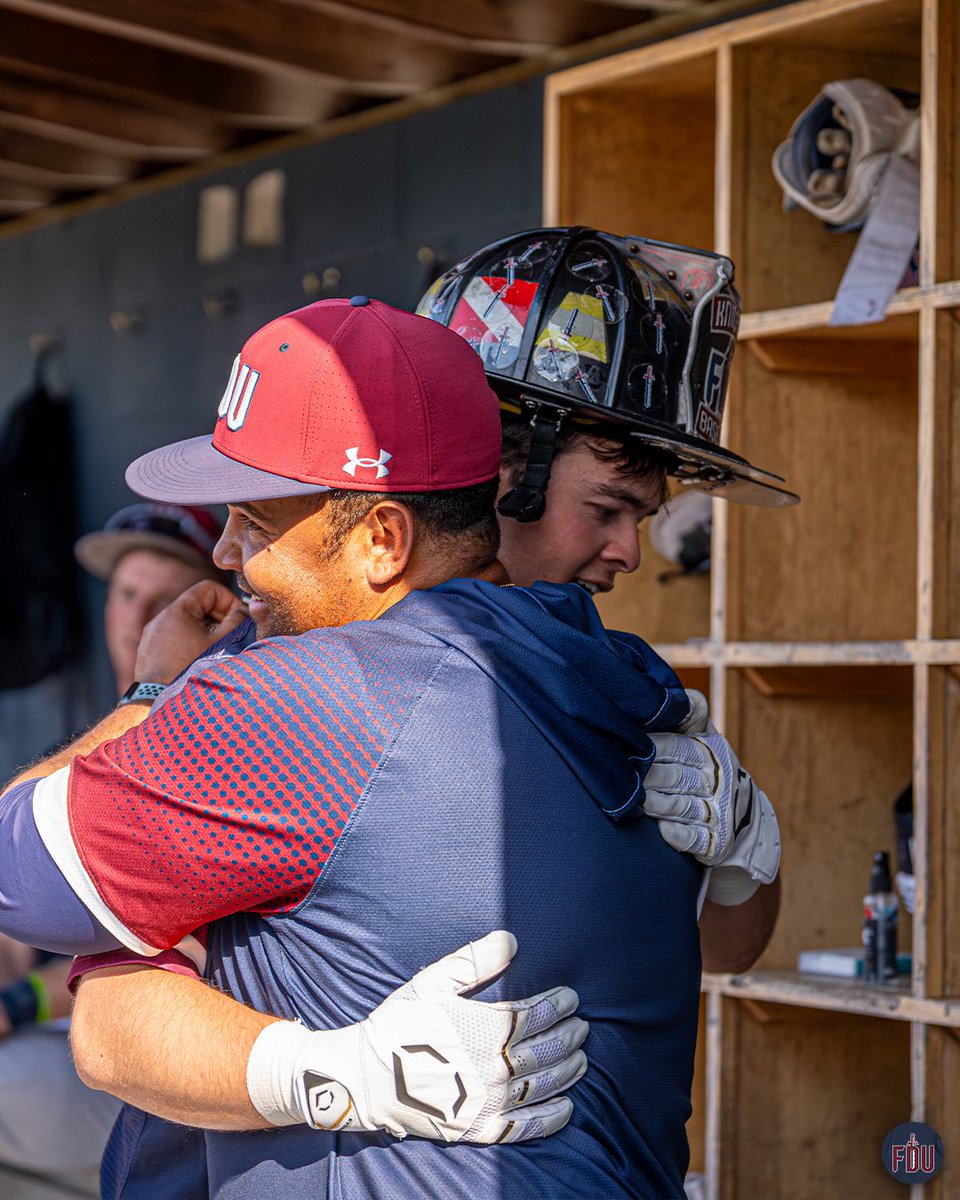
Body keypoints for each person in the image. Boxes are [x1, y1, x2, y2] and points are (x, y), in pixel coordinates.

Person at [0, 296, 779, 1198]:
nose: (225, 554)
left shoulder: (317, 694)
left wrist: (153, 695)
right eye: (605, 505)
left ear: (381, 535)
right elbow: (107, 1024)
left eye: (254, 520)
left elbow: (26, 892)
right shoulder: (635, 687)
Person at [0, 502, 225, 1181]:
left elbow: (189, 952)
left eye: (165, 602)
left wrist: (18, 1003)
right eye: (126, 595)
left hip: (161, 1063)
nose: (139, 620)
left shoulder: (224, 751)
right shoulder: (87, 746)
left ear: (215, 614)